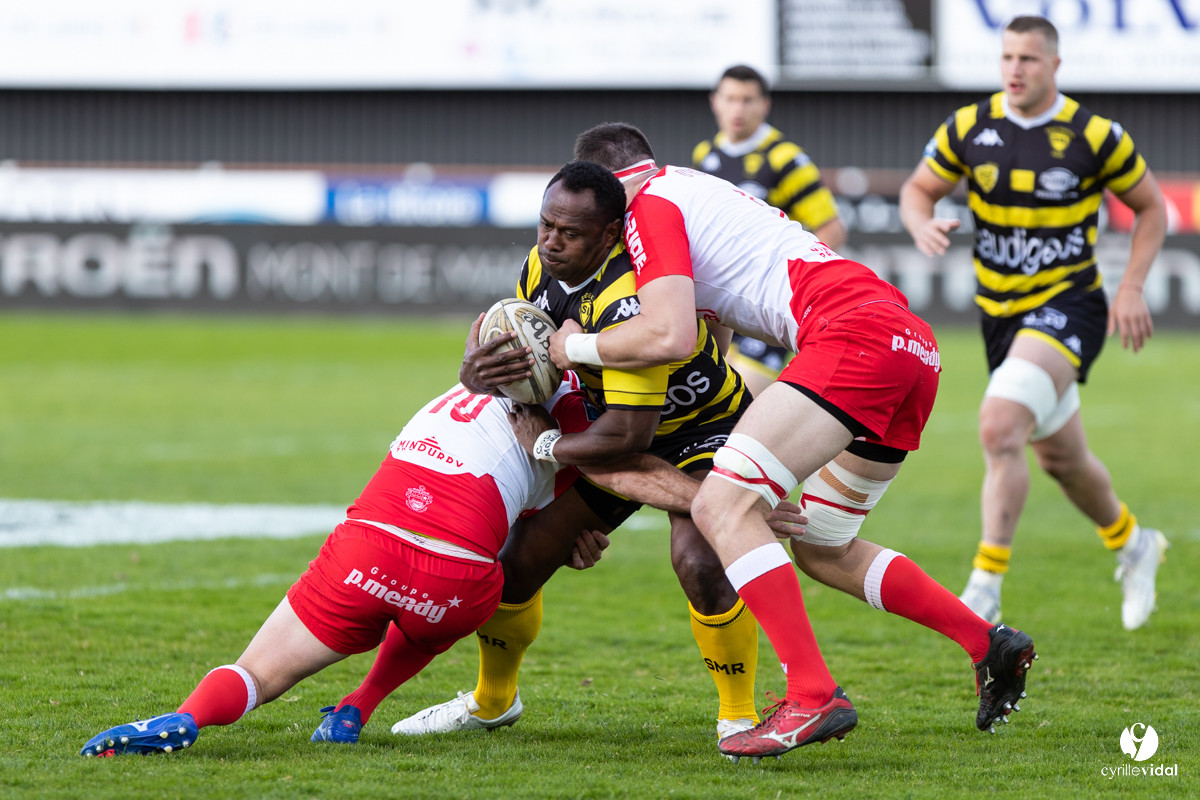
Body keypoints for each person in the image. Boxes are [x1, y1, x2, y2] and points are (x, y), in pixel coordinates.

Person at [557, 123, 1038, 761]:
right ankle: (988, 643)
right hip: (909, 342)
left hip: (852, 336)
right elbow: (708, 337)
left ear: (613, 188)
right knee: (824, 545)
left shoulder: (649, 204)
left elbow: (669, 335)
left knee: (720, 506)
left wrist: (575, 346)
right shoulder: (696, 190)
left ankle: (811, 695)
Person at [343, 161, 773, 757]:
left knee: (699, 561)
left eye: (570, 233)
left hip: (698, 429)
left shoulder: (629, 294)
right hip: (610, 430)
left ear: (610, 233)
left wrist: (548, 448)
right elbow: (529, 376)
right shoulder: (537, 269)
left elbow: (628, 438)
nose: (551, 241)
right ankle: (493, 700)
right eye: (546, 225)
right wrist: (477, 373)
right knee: (518, 562)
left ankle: (739, 716)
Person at [79, 371, 702, 757]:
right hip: (457, 580)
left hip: (367, 547)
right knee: (467, 592)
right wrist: (578, 538)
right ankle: (361, 703)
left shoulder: (470, 381)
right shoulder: (589, 423)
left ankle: (186, 717)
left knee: (257, 674)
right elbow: (551, 520)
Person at [897, 15, 1169, 631]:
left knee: (998, 426)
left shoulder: (1095, 135)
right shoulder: (969, 126)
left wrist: (1131, 287)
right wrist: (920, 222)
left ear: (1055, 65)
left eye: (1028, 59)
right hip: (1001, 316)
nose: (1014, 70)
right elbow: (917, 189)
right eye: (1007, 57)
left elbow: (1151, 207)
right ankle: (1134, 544)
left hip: (1070, 303)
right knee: (1062, 460)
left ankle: (986, 584)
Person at [693, 64, 848, 399]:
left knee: (737, 403)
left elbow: (832, 231)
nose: (738, 109)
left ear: (764, 105)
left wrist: (790, 287)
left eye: (747, 100)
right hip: (718, 303)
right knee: (708, 407)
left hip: (765, 303)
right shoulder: (705, 156)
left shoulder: (784, 159)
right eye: (730, 99)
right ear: (715, 102)